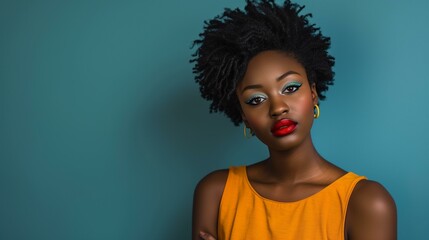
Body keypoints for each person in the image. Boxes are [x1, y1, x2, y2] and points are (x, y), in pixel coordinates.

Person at [190, 0, 397, 239]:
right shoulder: (216, 193)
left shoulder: (365, 203)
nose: (278, 108)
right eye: (256, 100)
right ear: (244, 117)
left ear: (313, 92)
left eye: (290, 88)